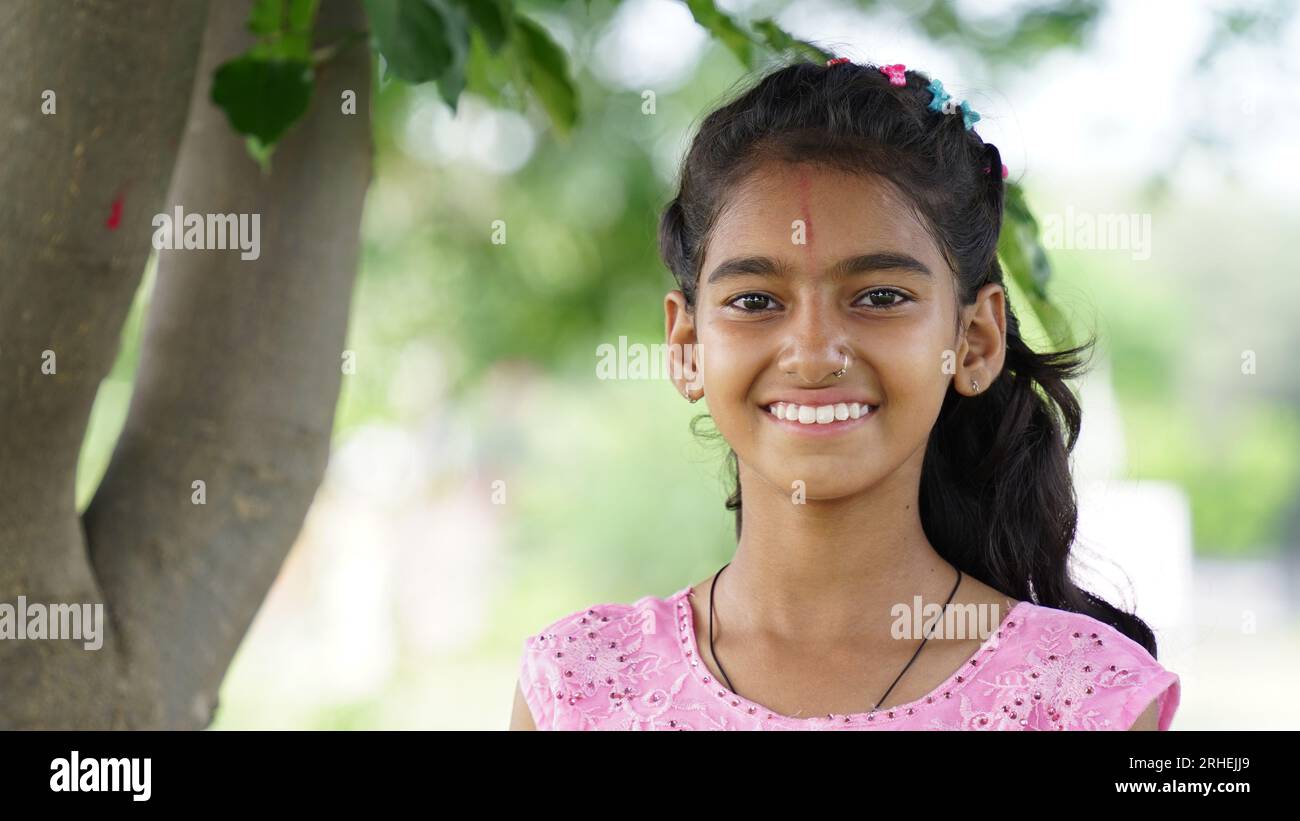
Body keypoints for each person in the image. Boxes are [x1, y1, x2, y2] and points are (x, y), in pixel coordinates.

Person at [510, 57, 1180, 730]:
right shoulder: (578, 685)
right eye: (754, 299)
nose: (813, 352)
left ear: (974, 340)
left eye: (880, 296)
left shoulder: (1087, 698)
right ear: (687, 347)